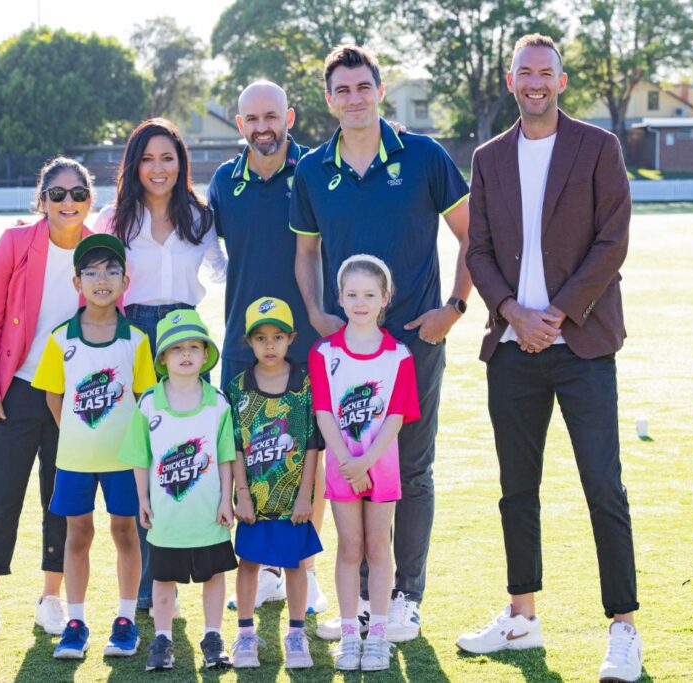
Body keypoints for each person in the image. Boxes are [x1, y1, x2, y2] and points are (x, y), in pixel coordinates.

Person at [458, 34, 642, 682]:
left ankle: (624, 627)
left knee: (603, 486)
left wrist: (556, 313)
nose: (535, 81)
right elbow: (478, 249)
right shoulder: (488, 157)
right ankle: (521, 615)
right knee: (517, 490)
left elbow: (612, 241)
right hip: (513, 349)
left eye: (545, 73)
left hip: (582, 344)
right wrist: (513, 312)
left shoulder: (598, 146)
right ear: (511, 81)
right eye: (524, 72)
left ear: (561, 82)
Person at [291, 45, 471, 642]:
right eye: (342, 90)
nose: (354, 98)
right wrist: (316, 312)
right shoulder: (312, 170)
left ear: (380, 90)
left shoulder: (424, 156)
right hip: (348, 352)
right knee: (352, 466)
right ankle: (363, 604)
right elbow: (306, 251)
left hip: (415, 343)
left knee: (411, 469)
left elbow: (472, 235)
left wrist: (454, 308)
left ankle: (404, 598)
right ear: (328, 100)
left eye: (363, 87)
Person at [95, 117, 227, 614]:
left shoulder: (199, 216)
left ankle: (198, 566)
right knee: (145, 459)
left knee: (189, 455)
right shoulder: (115, 218)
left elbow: (223, 269)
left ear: (181, 164)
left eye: (167, 158)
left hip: (186, 336)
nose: (158, 168)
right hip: (133, 337)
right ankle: (151, 583)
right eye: (148, 158)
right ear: (134, 164)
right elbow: (92, 275)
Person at [208, 80, 329, 616]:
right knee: (248, 457)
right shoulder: (222, 182)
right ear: (240, 125)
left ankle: (305, 568)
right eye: (252, 119)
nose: (263, 127)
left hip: (307, 341)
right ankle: (262, 569)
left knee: (308, 456)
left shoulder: (315, 171)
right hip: (243, 343)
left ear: (290, 117)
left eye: (272, 116)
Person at [0, 157, 96, 642]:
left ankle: (51, 598)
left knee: (59, 500)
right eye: (57, 194)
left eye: (78, 193)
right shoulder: (15, 243)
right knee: (0, 497)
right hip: (14, 389)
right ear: (41, 200)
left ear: (89, 200)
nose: (68, 202)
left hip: (72, 396)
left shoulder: (99, 249)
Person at [30, 234, 156, 659]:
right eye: (92, 272)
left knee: (125, 532)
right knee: (78, 533)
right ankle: (76, 621)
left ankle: (125, 619)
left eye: (111, 271)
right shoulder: (60, 339)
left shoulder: (136, 339)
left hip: (123, 461)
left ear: (125, 281)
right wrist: (75, 434)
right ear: (77, 282)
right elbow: (53, 396)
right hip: (75, 459)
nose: (102, 280)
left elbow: (143, 398)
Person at [308, 255, 420, 671]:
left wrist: (367, 461)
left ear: (385, 298)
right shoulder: (324, 353)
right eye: (352, 294)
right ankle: (349, 633)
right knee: (350, 547)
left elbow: (396, 415)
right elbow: (323, 411)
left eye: (370, 295)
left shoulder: (398, 355)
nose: (360, 302)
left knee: (377, 547)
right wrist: (347, 462)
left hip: (381, 465)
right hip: (342, 467)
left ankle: (378, 635)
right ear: (338, 298)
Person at [117, 310, 238, 671]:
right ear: (163, 359)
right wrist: (142, 499)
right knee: (163, 577)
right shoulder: (149, 402)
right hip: (167, 515)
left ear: (205, 355)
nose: (186, 354)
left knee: (214, 574)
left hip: (208, 513)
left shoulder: (217, 402)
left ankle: (213, 636)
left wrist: (226, 499)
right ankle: (163, 638)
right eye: (176, 348)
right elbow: (140, 457)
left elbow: (226, 456)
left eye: (194, 347)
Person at [225, 296, 323, 670]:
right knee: (248, 562)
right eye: (261, 338)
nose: (270, 345)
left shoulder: (305, 385)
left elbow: (312, 445)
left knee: (296, 563)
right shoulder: (238, 388)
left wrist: (305, 497)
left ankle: (296, 634)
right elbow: (235, 447)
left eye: (278, 337)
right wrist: (243, 496)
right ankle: (245, 634)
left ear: (291, 338)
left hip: (293, 499)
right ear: (248, 341)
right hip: (255, 499)